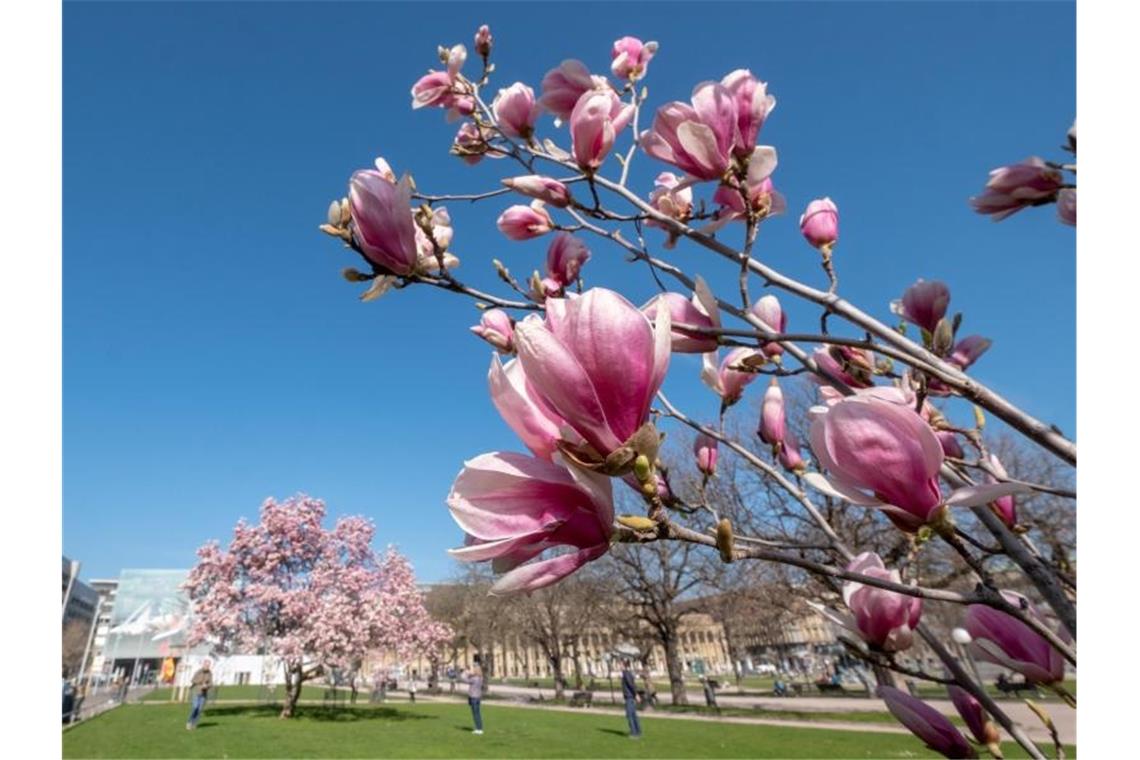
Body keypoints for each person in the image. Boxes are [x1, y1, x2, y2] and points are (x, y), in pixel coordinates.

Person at [186, 660, 213, 730]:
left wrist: (207, 686)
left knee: (200, 709)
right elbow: (193, 680)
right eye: (206, 665)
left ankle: (194, 723)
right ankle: (189, 722)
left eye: (208, 665)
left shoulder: (210, 673)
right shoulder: (198, 672)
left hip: (204, 693)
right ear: (203, 665)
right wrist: (201, 683)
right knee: (195, 707)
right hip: (196, 691)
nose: (207, 667)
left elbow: (211, 683)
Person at [620, 659, 642, 738]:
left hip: (629, 697)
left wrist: (636, 694)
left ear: (624, 665)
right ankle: (638, 731)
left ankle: (634, 732)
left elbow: (631, 685)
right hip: (630, 696)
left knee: (630, 715)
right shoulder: (627, 674)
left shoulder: (626, 674)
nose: (620, 666)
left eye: (621, 665)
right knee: (633, 715)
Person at [463, 665, 484, 735]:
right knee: (478, 713)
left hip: (473, 697)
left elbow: (466, 680)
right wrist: (469, 674)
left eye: (474, 670)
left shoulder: (474, 678)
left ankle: (478, 729)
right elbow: (471, 677)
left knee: (475, 714)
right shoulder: (480, 678)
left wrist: (465, 673)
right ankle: (480, 728)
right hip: (478, 697)